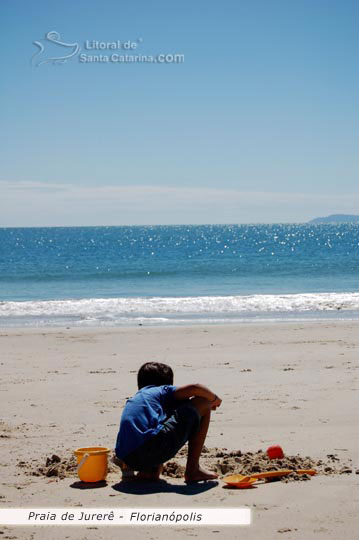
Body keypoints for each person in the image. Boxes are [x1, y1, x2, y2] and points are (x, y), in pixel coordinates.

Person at [115, 361, 222, 483]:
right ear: (167, 384)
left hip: (126, 457)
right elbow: (195, 388)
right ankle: (193, 469)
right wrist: (215, 400)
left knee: (155, 425)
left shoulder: (137, 399)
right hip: (150, 447)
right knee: (203, 402)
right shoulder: (161, 391)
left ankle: (147, 471)